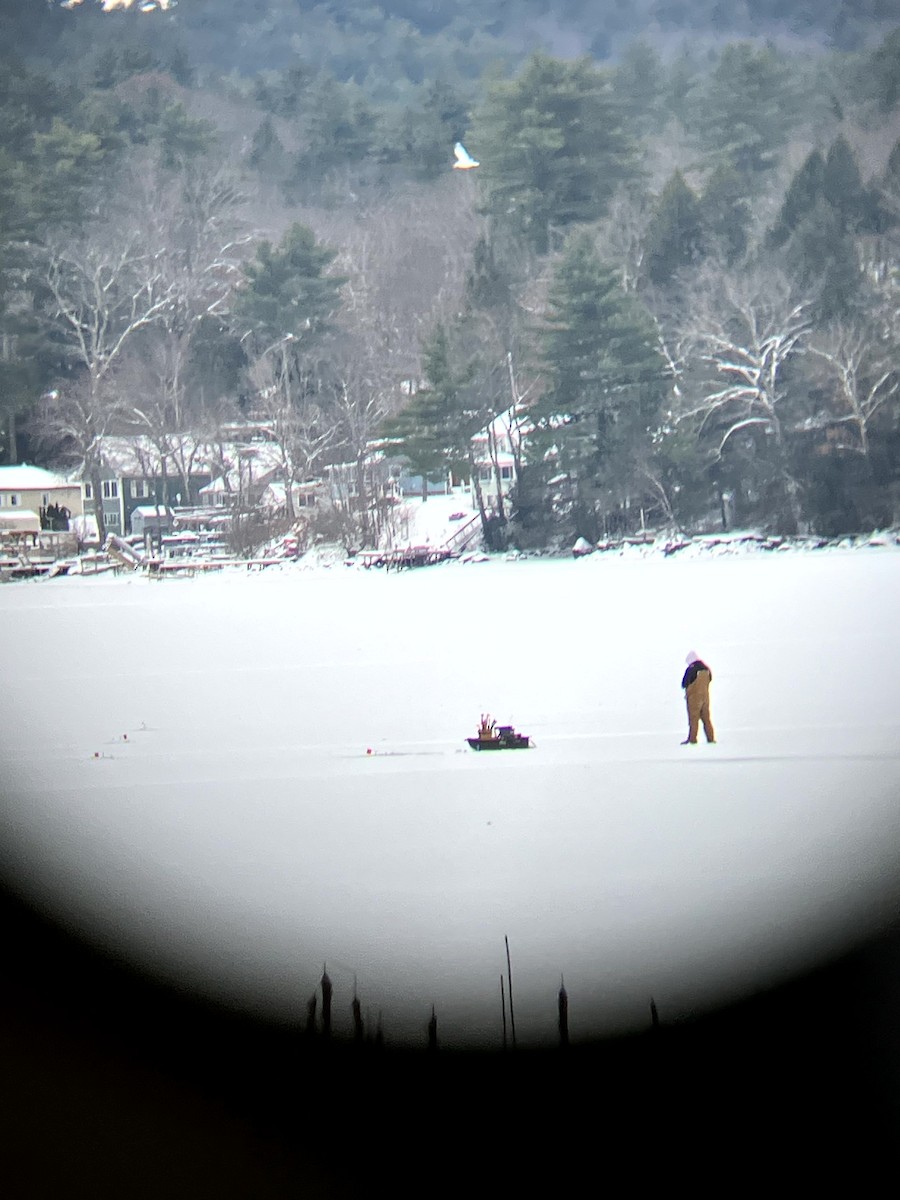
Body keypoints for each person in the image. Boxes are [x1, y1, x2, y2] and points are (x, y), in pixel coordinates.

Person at [681, 650, 715, 744]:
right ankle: (710, 738)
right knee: (706, 719)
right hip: (705, 697)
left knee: (693, 719)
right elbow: (710, 679)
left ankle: (692, 739)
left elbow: (684, 683)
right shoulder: (707, 668)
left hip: (694, 698)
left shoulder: (691, 669)